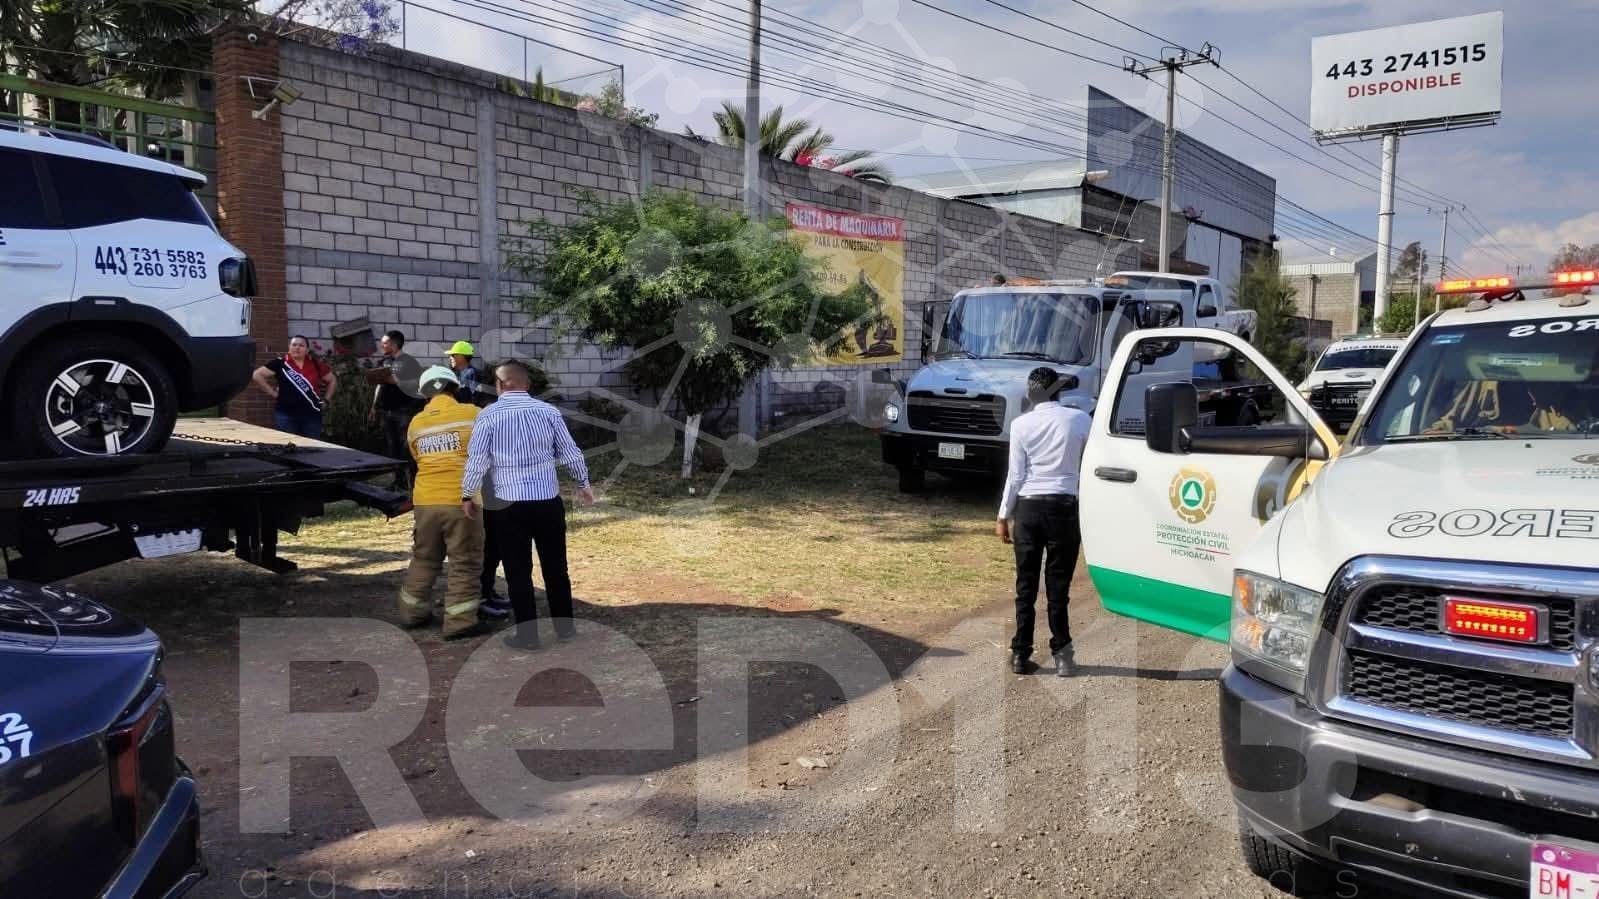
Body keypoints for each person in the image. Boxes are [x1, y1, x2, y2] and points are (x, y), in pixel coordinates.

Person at [461, 360, 594, 647]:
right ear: (528, 384)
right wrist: (583, 483)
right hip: (547, 501)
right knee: (556, 568)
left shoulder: (488, 415)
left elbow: (477, 460)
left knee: (517, 570)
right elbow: (570, 451)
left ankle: (528, 636)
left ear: (499, 384)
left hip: (507, 505)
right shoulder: (549, 412)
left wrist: (467, 494)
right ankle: (565, 629)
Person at [997, 367, 1091, 677]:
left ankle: (1020, 654)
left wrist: (1003, 515)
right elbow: (1090, 462)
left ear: (1031, 393)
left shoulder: (1021, 424)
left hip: (1028, 508)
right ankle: (1063, 656)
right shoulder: (1080, 419)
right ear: (1059, 391)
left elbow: (1016, 475)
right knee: (1058, 588)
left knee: (1025, 586)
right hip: (1064, 506)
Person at [397, 365, 493, 641]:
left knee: (425, 557)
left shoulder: (416, 423)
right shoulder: (472, 414)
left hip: (425, 501)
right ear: (455, 388)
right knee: (465, 561)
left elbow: (417, 457)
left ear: (425, 393)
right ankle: (460, 622)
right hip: (461, 500)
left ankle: (411, 613)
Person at [445, 339, 510, 620]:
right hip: (473, 496)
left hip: (486, 493)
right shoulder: (472, 417)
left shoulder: (479, 414)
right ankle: (480, 596)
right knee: (482, 547)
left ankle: (487, 592)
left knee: (491, 545)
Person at [252, 335, 336, 438]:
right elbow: (257, 375)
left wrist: (327, 400)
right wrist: (273, 393)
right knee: (288, 445)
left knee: (311, 446)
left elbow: (332, 380)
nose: (297, 348)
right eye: (294, 345)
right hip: (286, 415)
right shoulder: (280, 363)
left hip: (312, 415)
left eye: (301, 345)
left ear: (307, 350)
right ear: (289, 347)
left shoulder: (316, 364)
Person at [371, 330, 423, 490]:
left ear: (394, 344)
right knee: (392, 448)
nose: (382, 345)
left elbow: (415, 384)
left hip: (405, 411)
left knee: (407, 449)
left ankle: (413, 483)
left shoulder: (409, 362)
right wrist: (374, 406)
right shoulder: (384, 361)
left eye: (385, 343)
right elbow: (379, 385)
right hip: (387, 411)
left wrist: (394, 380)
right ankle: (399, 482)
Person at [445, 340, 495, 408]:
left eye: (453, 355)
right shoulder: (459, 373)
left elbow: (472, 399)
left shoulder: (470, 373)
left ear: (461, 357)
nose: (450, 358)